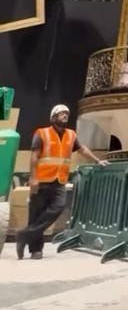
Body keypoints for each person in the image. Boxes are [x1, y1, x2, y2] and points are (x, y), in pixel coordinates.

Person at [16, 104, 107, 259]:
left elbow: (82, 149)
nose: (65, 115)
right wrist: (34, 178)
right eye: (61, 113)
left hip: (59, 181)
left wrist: (97, 160)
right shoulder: (42, 133)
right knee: (36, 215)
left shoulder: (71, 135)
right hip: (42, 180)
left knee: (58, 207)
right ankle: (35, 250)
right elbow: (34, 156)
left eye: (66, 113)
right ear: (53, 117)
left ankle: (24, 235)